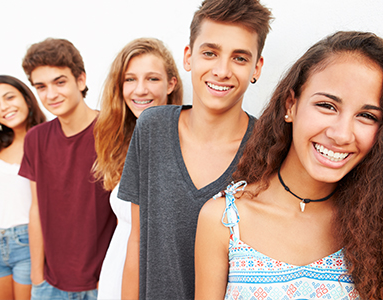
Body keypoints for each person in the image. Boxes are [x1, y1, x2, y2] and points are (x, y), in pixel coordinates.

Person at [195, 31, 383, 300]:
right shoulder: (224, 221)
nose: (342, 135)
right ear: (291, 105)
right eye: (327, 106)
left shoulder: (375, 227)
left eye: (366, 116)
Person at [119, 0, 272, 299]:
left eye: (239, 58)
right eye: (210, 53)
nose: (222, 70)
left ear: (257, 68)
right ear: (189, 57)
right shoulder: (152, 127)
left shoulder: (267, 148)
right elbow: (137, 240)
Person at [19, 38, 116, 300]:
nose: (51, 95)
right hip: (49, 285)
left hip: (102, 284)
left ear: (81, 80)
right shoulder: (35, 139)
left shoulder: (112, 132)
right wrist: (37, 277)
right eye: (41, 86)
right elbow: (36, 207)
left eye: (59, 82)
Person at [94, 37, 183, 300]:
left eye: (152, 79)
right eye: (130, 79)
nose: (140, 90)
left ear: (171, 83)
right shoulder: (122, 140)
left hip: (157, 284)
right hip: (116, 276)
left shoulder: (185, 142)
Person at [0, 75, 46, 300]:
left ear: (27, 99)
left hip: (27, 245)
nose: (4, 107)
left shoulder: (46, 140)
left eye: (9, 97)